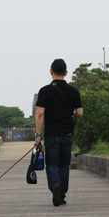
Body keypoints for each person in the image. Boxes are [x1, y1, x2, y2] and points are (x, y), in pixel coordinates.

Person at [35, 59, 83, 207]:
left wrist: (38, 135)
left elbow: (40, 114)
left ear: (51, 72)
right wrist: (72, 115)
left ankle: (55, 184)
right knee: (64, 165)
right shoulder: (74, 91)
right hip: (68, 134)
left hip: (52, 135)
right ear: (66, 73)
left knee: (51, 164)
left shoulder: (44, 91)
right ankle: (61, 195)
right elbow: (80, 113)